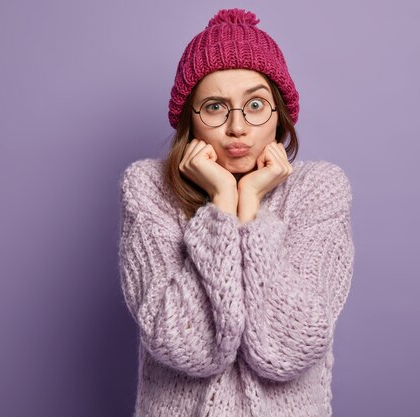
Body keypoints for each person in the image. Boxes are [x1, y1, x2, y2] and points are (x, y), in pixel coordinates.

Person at [118, 8, 355, 417]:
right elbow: (186, 347)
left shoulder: (320, 190)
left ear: (279, 113)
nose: (238, 127)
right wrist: (224, 201)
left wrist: (250, 210)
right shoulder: (148, 189)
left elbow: (288, 348)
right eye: (214, 107)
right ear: (189, 122)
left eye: (256, 104)